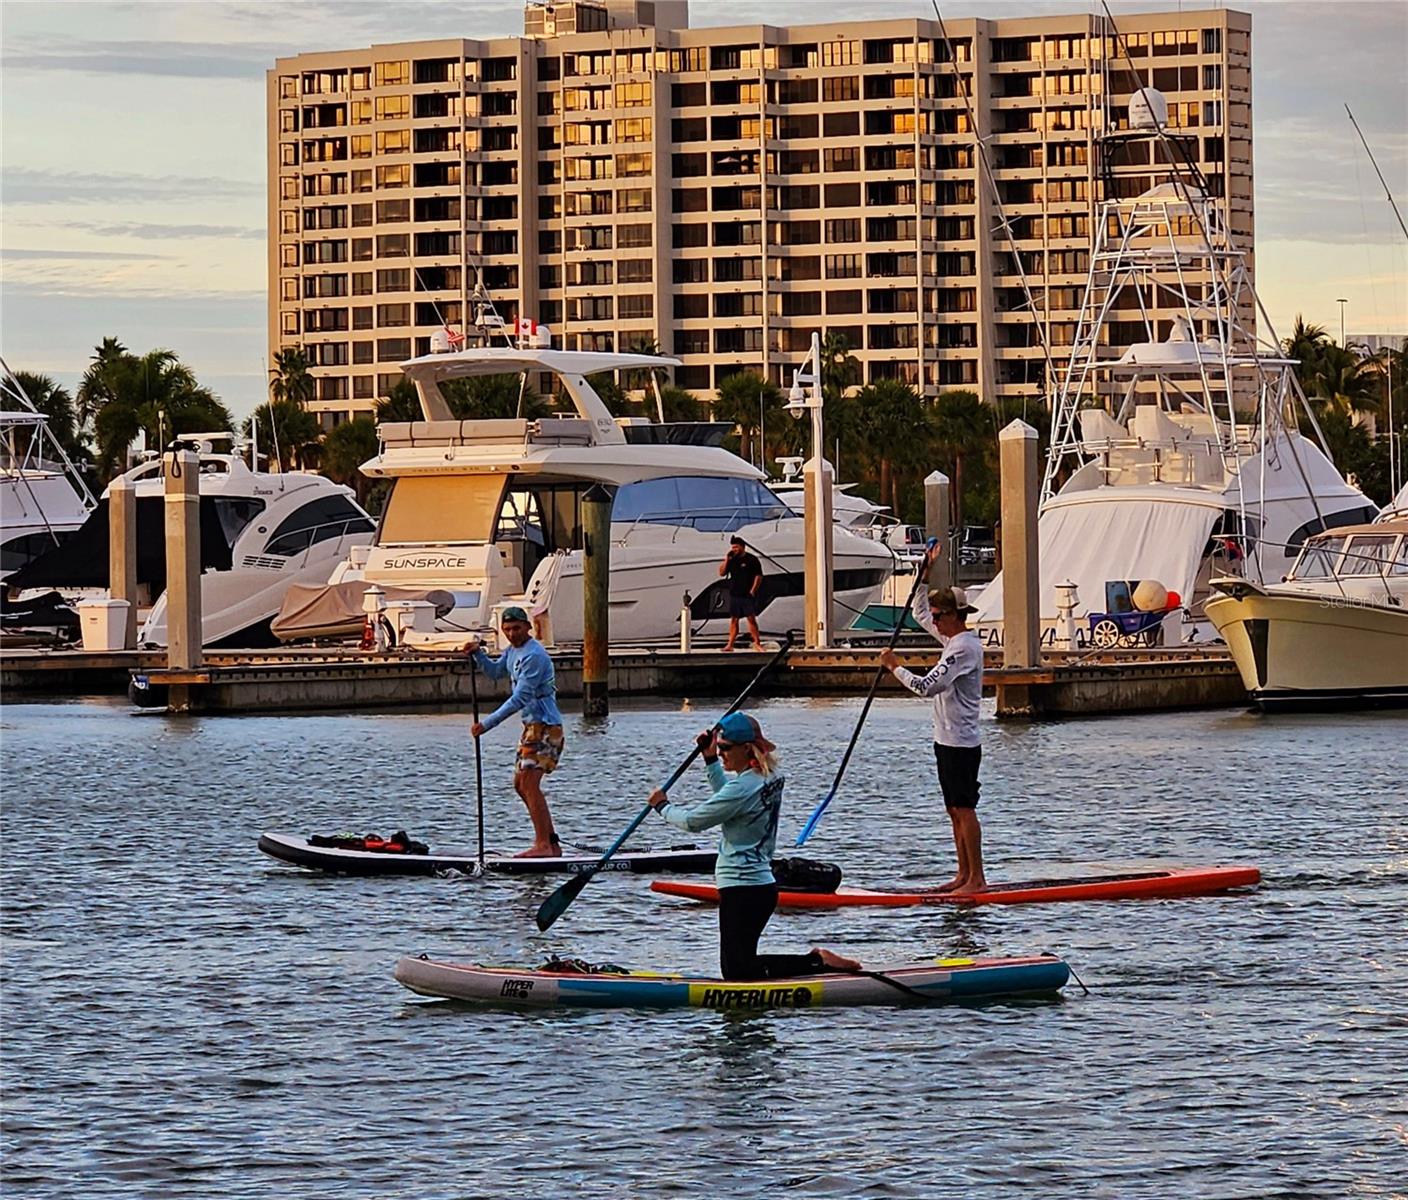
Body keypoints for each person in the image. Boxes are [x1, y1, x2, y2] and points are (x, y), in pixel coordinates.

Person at [647, 711, 860, 980]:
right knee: (740, 966)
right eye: (720, 748)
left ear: (746, 748)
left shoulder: (742, 788)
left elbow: (692, 822)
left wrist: (662, 806)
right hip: (760, 887)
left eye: (726, 748)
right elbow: (730, 799)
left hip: (742, 887)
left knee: (737, 970)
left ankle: (816, 961)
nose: (722, 753)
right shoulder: (769, 776)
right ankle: (813, 963)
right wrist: (710, 760)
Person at [879, 557, 987, 894]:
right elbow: (919, 614)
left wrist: (895, 668)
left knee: (965, 809)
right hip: (945, 739)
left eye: (941, 616)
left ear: (956, 616)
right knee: (953, 809)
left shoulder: (963, 650)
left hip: (962, 741)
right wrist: (922, 578)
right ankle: (962, 875)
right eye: (937, 616)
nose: (935, 621)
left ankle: (977, 880)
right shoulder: (951, 641)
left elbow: (927, 687)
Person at [470, 606, 565, 858]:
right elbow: (494, 672)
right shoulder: (513, 651)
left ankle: (543, 845)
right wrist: (477, 655)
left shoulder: (534, 656)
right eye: (507, 629)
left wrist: (487, 724)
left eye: (516, 628)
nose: (512, 633)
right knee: (520, 785)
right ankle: (551, 843)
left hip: (546, 726)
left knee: (529, 783)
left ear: (527, 627)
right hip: (531, 727)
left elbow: (519, 698)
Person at [718, 536, 764, 652]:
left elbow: (758, 576)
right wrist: (727, 559)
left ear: (742, 547)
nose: (734, 549)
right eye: (732, 547)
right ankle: (730, 644)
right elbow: (722, 573)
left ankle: (757, 643)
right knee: (734, 620)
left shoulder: (752, 560)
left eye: (736, 547)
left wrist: (753, 590)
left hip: (747, 594)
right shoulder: (732, 560)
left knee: (751, 619)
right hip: (735, 593)